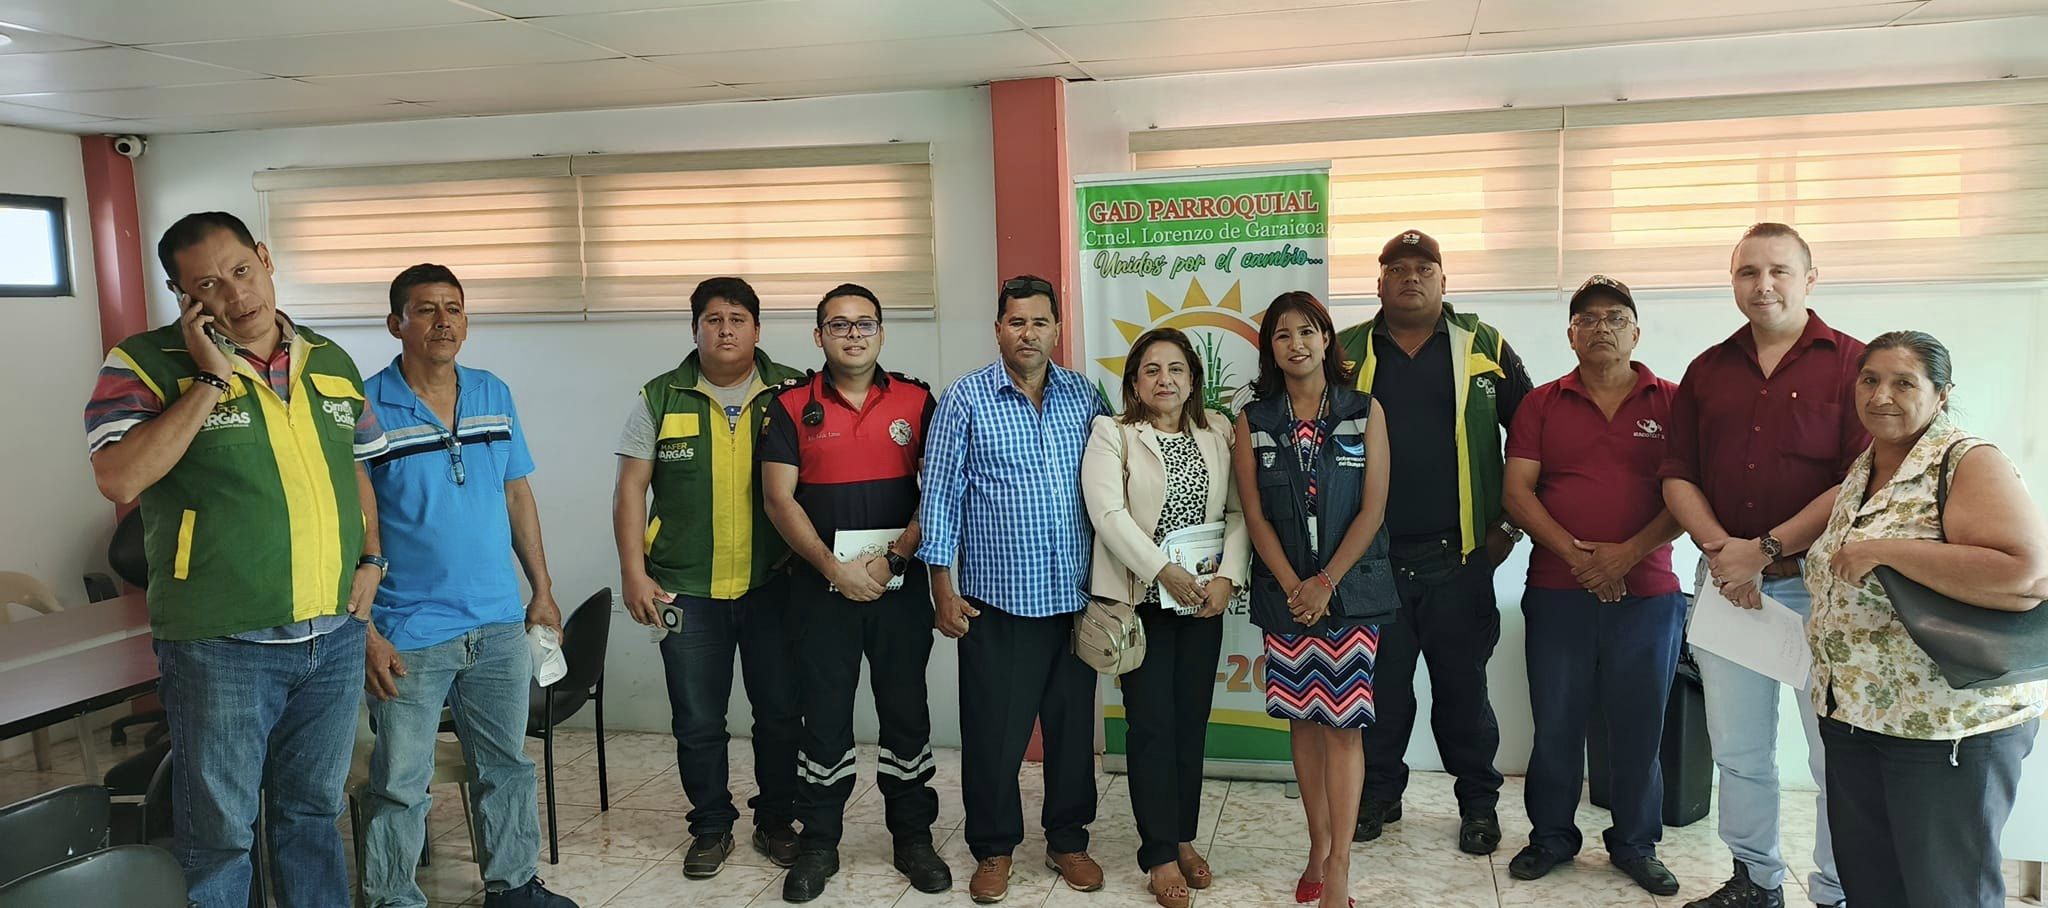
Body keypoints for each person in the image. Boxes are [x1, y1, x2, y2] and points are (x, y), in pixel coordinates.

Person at [84, 211, 387, 907]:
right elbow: (120, 479)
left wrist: (373, 560)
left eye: (242, 271)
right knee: (219, 836)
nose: (235, 294)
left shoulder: (330, 360)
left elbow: (357, 469)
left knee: (312, 816)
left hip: (332, 634)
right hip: (221, 643)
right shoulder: (143, 362)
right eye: (207, 285)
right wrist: (209, 381)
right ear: (180, 294)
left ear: (265, 258)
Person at [1801, 331, 2047, 908]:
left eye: (1904, 383)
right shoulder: (1869, 465)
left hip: (1944, 725)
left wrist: (1886, 551)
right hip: (1855, 713)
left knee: (1946, 892)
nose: (1881, 395)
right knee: (1871, 884)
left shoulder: (1966, 461)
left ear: (1942, 394)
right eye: (1869, 380)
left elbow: (2027, 574)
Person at [357, 264, 574, 908]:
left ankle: (513, 888)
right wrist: (366, 631)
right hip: (409, 629)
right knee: (400, 782)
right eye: (425, 309)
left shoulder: (492, 392)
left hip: (498, 622)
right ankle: (393, 898)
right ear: (395, 323)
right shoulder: (365, 406)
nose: (443, 321)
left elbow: (517, 493)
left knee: (506, 767)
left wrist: (541, 589)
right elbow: (350, 525)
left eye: (453, 308)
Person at [1660, 222, 1863, 908]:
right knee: (1739, 750)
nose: (1763, 284)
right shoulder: (1707, 370)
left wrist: (1764, 550)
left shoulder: (1853, 365)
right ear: (1734, 281)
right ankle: (1755, 880)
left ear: (1810, 279)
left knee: (1834, 752)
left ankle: (1837, 890)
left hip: (1821, 590)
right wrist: (1726, 556)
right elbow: (1677, 475)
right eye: (1748, 272)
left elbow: (1857, 482)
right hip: (1727, 588)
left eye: (1779, 270)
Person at [1335, 229, 1533, 853]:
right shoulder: (1346, 351)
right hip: (1372, 562)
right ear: (1379, 284)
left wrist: (1510, 527)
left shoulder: (1484, 346)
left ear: (1445, 282)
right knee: (1380, 693)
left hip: (1460, 560)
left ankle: (1478, 805)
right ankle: (1377, 796)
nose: (1411, 278)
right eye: (1397, 269)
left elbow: (1535, 440)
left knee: (1464, 694)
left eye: (1424, 269)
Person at [917, 275, 1108, 904]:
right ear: (998, 328)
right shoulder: (965, 398)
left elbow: (1110, 486)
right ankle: (994, 848)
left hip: (1075, 600)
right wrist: (941, 586)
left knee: (1071, 733)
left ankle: (1067, 840)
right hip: (997, 601)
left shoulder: (1084, 395)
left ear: (1058, 329)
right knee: (995, 737)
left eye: (1040, 322)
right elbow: (939, 496)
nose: (1029, 333)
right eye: (1017, 322)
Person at [758, 284, 950, 902]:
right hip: (820, 593)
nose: (853, 334)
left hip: (899, 588)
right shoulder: (790, 406)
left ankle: (913, 838)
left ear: (881, 333)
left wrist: (894, 559)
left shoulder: (918, 401)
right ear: (819, 336)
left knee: (906, 712)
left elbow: (938, 491)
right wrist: (833, 569)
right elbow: (778, 500)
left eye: (865, 323)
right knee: (823, 719)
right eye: (838, 325)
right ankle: (819, 842)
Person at [611, 276, 806, 879]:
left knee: (780, 713)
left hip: (774, 585)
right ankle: (711, 827)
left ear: (757, 329)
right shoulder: (660, 397)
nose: (725, 330)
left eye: (738, 319)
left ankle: (777, 821)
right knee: (698, 720)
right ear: (694, 328)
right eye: (713, 319)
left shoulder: (792, 392)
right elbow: (630, 489)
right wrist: (633, 573)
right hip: (685, 589)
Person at [1499, 275, 1684, 897]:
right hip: (1558, 590)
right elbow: (1517, 493)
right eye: (1588, 319)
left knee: (1640, 726)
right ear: (1571, 334)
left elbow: (1688, 496)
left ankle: (1635, 843)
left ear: (1637, 332)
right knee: (1556, 722)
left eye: (1615, 317)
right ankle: (1551, 837)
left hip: (1649, 594)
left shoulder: (1674, 402)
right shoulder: (1541, 404)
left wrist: (1625, 556)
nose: (1601, 327)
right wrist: (1581, 559)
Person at [1234, 291, 1396, 908]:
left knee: (1344, 728)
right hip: (1287, 598)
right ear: (1270, 349)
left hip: (1349, 595)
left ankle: (1341, 868)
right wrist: (1294, 585)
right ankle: (1317, 847)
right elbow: (1255, 514)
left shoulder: (1363, 410)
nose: (1296, 343)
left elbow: (1373, 508)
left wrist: (1325, 582)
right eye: (1282, 335)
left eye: (1307, 331)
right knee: (1303, 723)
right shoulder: (1254, 420)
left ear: (1327, 339)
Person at [1080, 327, 1248, 908]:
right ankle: (1158, 854)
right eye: (1151, 370)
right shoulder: (1113, 433)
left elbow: (1238, 511)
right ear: (1133, 382)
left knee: (1190, 724)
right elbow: (1107, 514)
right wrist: (1161, 571)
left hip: (1200, 603)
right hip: (1141, 604)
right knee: (1151, 727)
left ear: (1193, 379)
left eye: (1176, 369)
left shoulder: (1218, 431)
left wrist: (1228, 576)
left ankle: (1182, 837)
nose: (1164, 380)